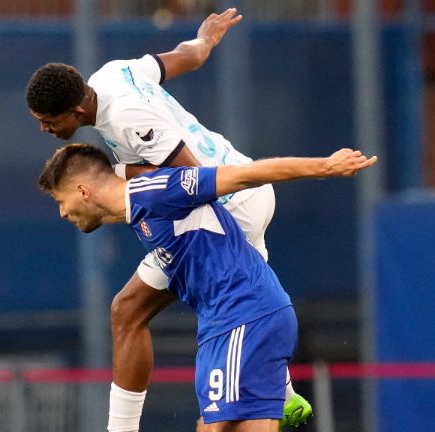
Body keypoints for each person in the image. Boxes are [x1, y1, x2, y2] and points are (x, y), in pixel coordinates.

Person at [26, 8, 311, 428]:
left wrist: (113, 179)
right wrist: (205, 39)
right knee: (129, 310)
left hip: (232, 203)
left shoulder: (126, 121)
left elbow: (193, 179)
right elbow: (184, 56)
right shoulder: (110, 75)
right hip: (243, 190)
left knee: (212, 310)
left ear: (73, 110)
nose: (45, 130)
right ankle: (282, 393)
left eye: (49, 122)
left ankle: (269, 397)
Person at [37, 143, 377, 432]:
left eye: (60, 201)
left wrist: (325, 166)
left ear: (83, 191)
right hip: (234, 323)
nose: (63, 212)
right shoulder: (137, 210)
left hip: (243, 318)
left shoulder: (154, 192)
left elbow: (245, 174)